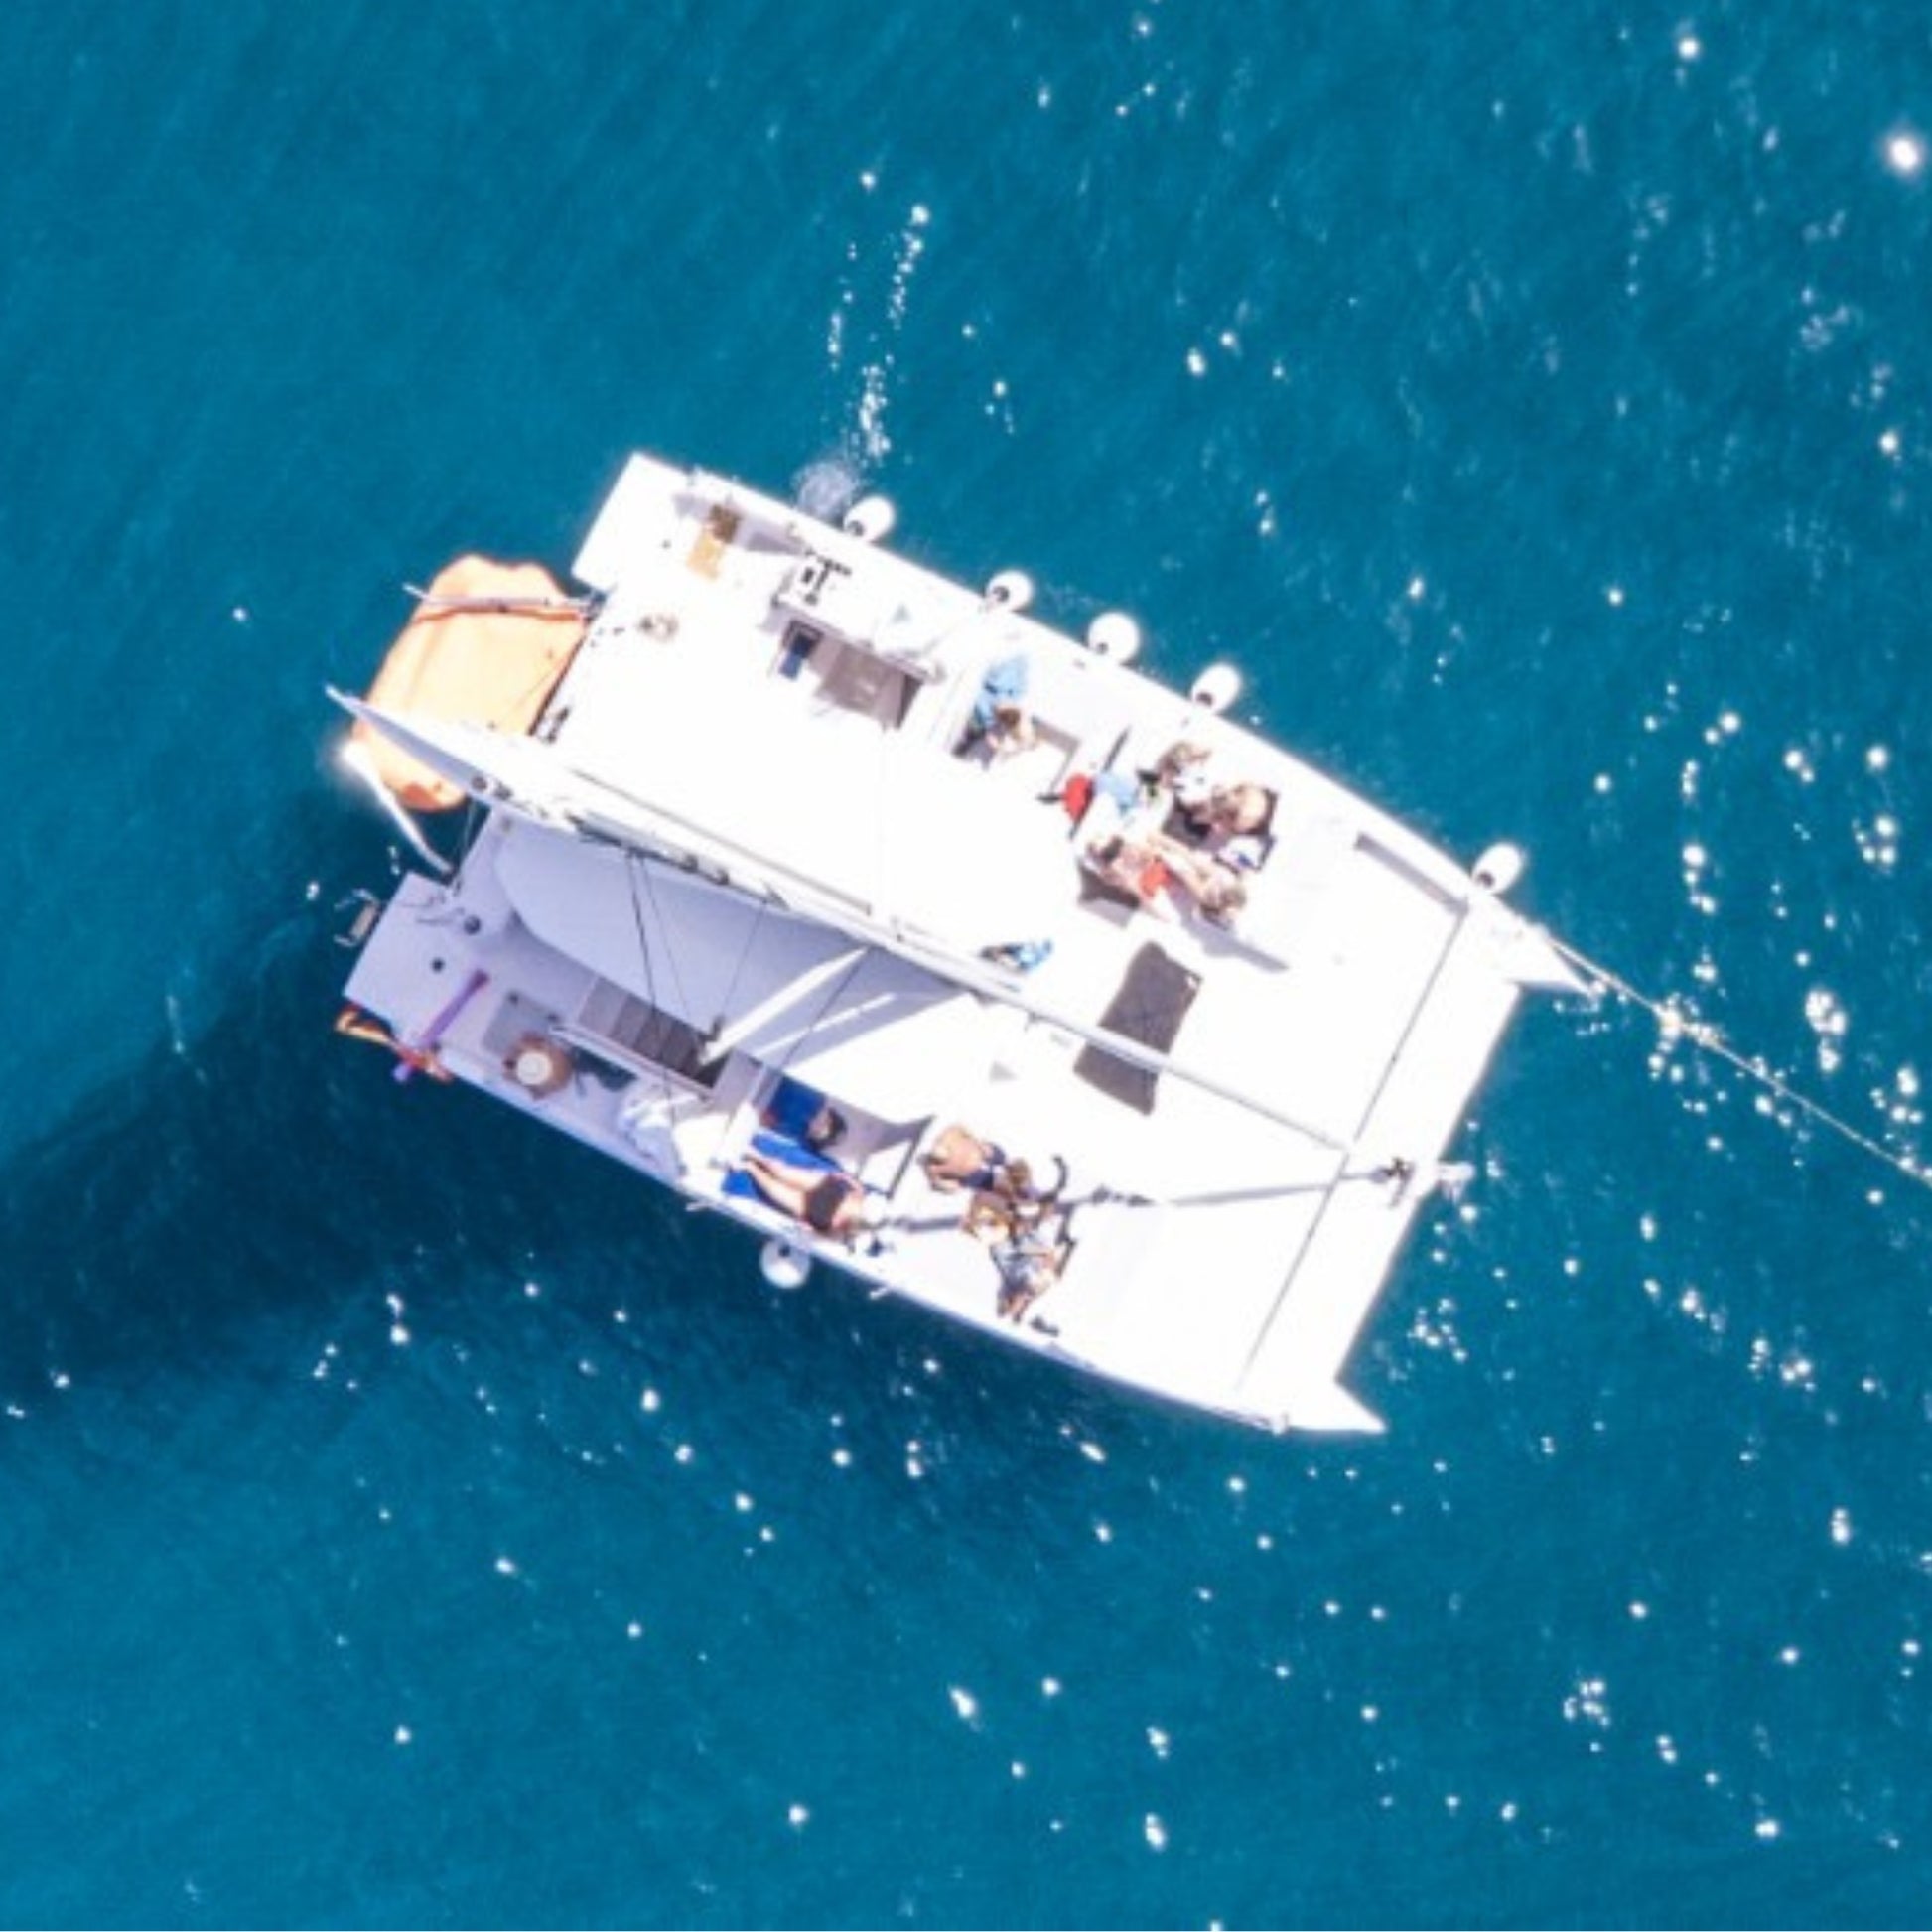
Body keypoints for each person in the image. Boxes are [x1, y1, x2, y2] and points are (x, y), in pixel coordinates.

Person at [739, 1146, 875, 1240]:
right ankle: (755, 1154)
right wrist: (842, 1176)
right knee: (782, 1172)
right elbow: (859, 1189)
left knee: (773, 1189)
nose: (847, 1228)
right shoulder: (858, 1206)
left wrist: (808, 1228)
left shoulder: (838, 1233)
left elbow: (822, 1233)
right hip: (822, 1187)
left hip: (807, 1209)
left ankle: (750, 1167)